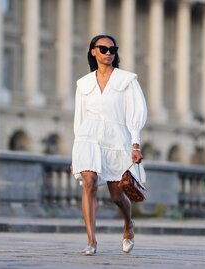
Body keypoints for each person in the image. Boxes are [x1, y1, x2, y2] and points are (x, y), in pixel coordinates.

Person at [71, 34, 148, 256]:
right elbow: (80, 118)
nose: (108, 53)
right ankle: (91, 241)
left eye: (112, 49)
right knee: (89, 183)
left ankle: (128, 224)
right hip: (88, 137)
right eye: (103, 49)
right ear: (93, 51)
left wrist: (135, 145)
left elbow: (136, 112)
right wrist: (75, 155)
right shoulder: (83, 83)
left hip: (116, 138)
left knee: (117, 195)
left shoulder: (127, 80)